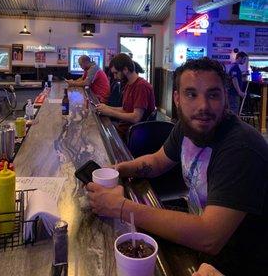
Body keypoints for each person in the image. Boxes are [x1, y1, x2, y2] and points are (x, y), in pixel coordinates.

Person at [86, 57, 268, 276]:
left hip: (242, 252)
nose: (203, 106)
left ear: (225, 99)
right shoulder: (186, 127)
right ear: (177, 98)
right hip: (207, 231)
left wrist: (121, 207)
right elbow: (157, 162)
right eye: (191, 94)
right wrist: (120, 169)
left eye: (213, 94)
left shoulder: (241, 147)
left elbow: (209, 236)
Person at [95, 53, 156, 141]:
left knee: (98, 137)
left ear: (125, 69)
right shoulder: (128, 84)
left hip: (133, 134)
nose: (115, 77)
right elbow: (126, 109)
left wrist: (110, 112)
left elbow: (136, 117)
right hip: (124, 128)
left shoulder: (141, 86)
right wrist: (106, 108)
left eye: (116, 73)